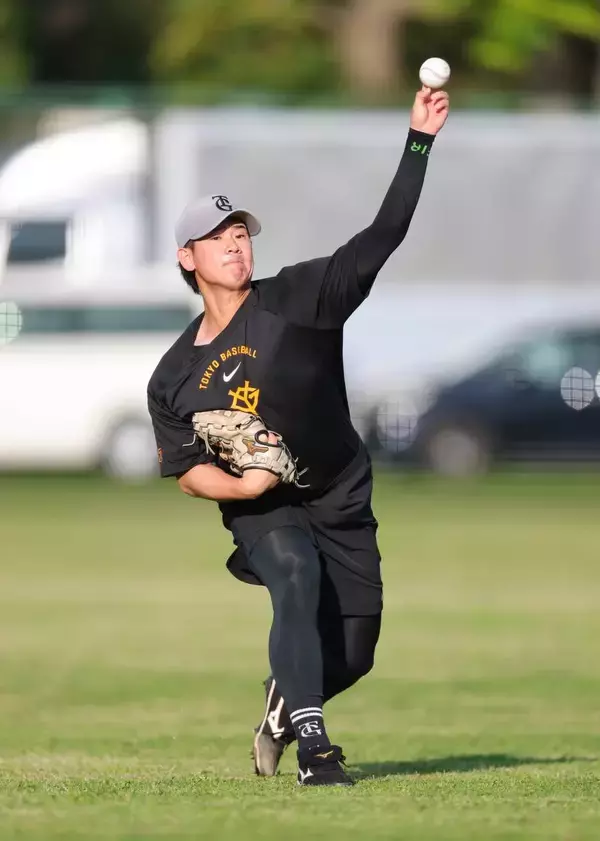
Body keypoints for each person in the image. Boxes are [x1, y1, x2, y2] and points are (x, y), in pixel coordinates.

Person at [147, 86, 450, 787]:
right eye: (218, 238)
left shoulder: (298, 300)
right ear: (188, 258)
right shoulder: (175, 374)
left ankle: (285, 704)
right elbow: (188, 469)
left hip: (339, 487)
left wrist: (418, 141)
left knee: (355, 650)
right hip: (265, 503)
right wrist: (244, 484)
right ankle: (316, 750)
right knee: (292, 572)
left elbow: (384, 235)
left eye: (242, 233)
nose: (235, 244)